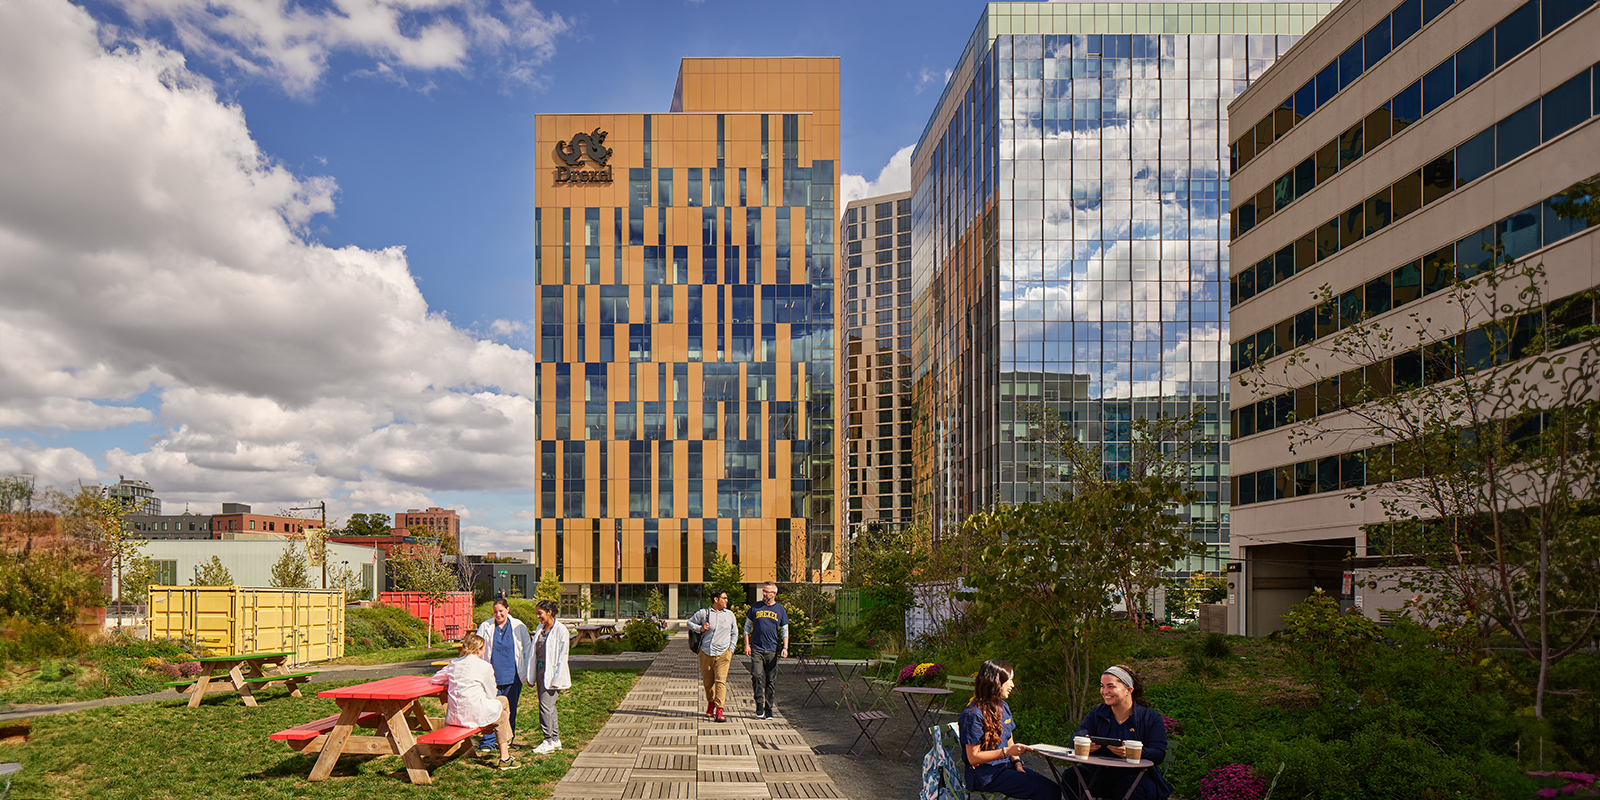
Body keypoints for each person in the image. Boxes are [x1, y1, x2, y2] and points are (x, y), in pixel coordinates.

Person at [1063, 665, 1172, 800]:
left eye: (1110, 686)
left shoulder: (1151, 718)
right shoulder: (1096, 713)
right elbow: (1076, 738)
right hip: (1100, 774)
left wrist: (1135, 752)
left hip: (1137, 777)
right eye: (1102, 686)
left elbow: (1158, 754)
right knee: (1072, 776)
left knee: (1129, 789)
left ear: (1129, 690)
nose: (1104, 691)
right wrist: (1083, 744)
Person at [957, 659, 1059, 800]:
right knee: (1044, 789)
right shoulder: (972, 715)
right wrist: (1006, 752)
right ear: (995, 682)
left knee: (1054, 788)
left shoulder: (1002, 706)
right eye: (1009, 680)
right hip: (985, 776)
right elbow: (973, 758)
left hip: (1005, 768)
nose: (1013, 685)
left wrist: (1017, 764)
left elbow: (1009, 738)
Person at [431, 632, 519, 770]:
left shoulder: (454, 664)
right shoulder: (484, 666)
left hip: (455, 716)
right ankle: (505, 753)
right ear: (480, 649)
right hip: (475, 714)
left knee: (503, 704)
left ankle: (505, 746)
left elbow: (435, 678)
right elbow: (491, 694)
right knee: (502, 709)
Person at [474, 598, 530, 753]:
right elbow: (477, 648)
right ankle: (488, 741)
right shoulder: (486, 626)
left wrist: (529, 673)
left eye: (501, 611)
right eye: (495, 612)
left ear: (508, 610)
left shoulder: (519, 626)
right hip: (492, 677)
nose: (498, 614)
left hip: (513, 677)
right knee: (490, 708)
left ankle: (506, 740)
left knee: (510, 710)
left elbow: (527, 649)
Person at [526, 599, 572, 754]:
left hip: (552, 674)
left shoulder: (561, 630)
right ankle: (555, 739)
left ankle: (548, 740)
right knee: (549, 708)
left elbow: (562, 657)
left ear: (549, 612)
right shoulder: (541, 628)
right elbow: (534, 653)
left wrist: (556, 680)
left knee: (545, 707)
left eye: (540, 613)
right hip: (540, 672)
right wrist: (531, 676)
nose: (538, 616)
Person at [687, 588, 738, 722]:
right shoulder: (704, 613)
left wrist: (731, 649)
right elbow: (689, 623)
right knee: (708, 683)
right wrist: (700, 628)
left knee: (721, 681)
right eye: (724, 598)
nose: (726, 601)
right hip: (706, 653)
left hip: (723, 654)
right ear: (716, 599)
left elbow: (735, 633)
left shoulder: (730, 615)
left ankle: (719, 710)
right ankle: (710, 703)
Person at [743, 581, 789, 719]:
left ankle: (768, 708)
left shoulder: (780, 610)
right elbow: (747, 628)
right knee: (756, 676)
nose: (764, 594)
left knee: (770, 681)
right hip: (757, 648)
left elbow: (785, 631)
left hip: (772, 650)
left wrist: (785, 647)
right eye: (763, 591)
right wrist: (747, 644)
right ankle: (759, 703)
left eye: (767, 592)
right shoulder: (755, 607)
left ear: (774, 594)